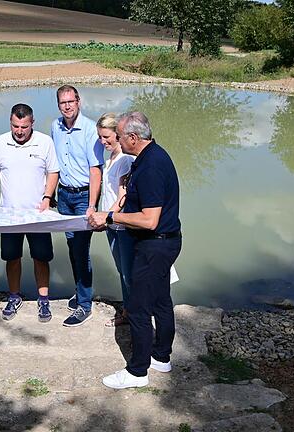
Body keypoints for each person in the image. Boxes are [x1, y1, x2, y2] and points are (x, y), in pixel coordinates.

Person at [88, 111, 182, 389]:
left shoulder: (151, 166)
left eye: (119, 135)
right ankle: (161, 357)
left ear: (132, 137)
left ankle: (137, 372)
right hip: (165, 241)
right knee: (162, 301)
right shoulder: (151, 156)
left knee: (140, 309)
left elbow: (149, 219)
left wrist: (110, 217)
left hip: (154, 244)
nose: (116, 139)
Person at [0, 103, 59, 322]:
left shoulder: (45, 142)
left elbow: (53, 172)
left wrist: (47, 197)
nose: (20, 131)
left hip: (37, 215)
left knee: (41, 258)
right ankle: (14, 296)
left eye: (24, 126)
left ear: (32, 123)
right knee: (12, 258)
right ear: (10, 122)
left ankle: (44, 300)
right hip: (9, 216)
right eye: (15, 126)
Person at [51, 85, 104, 327]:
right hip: (64, 196)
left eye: (71, 101)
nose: (68, 106)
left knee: (81, 250)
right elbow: (54, 164)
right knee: (73, 247)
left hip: (84, 197)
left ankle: (84, 305)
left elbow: (96, 170)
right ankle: (80, 292)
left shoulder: (91, 129)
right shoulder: (55, 127)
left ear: (79, 101)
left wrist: (92, 204)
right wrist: (49, 194)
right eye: (63, 103)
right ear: (59, 105)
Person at [96, 113, 135, 328]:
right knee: (122, 271)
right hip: (112, 225)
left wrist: (105, 217)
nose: (103, 142)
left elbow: (123, 197)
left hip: (121, 226)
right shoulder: (110, 158)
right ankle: (129, 311)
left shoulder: (126, 160)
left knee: (129, 273)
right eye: (100, 138)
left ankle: (134, 314)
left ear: (118, 135)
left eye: (107, 137)